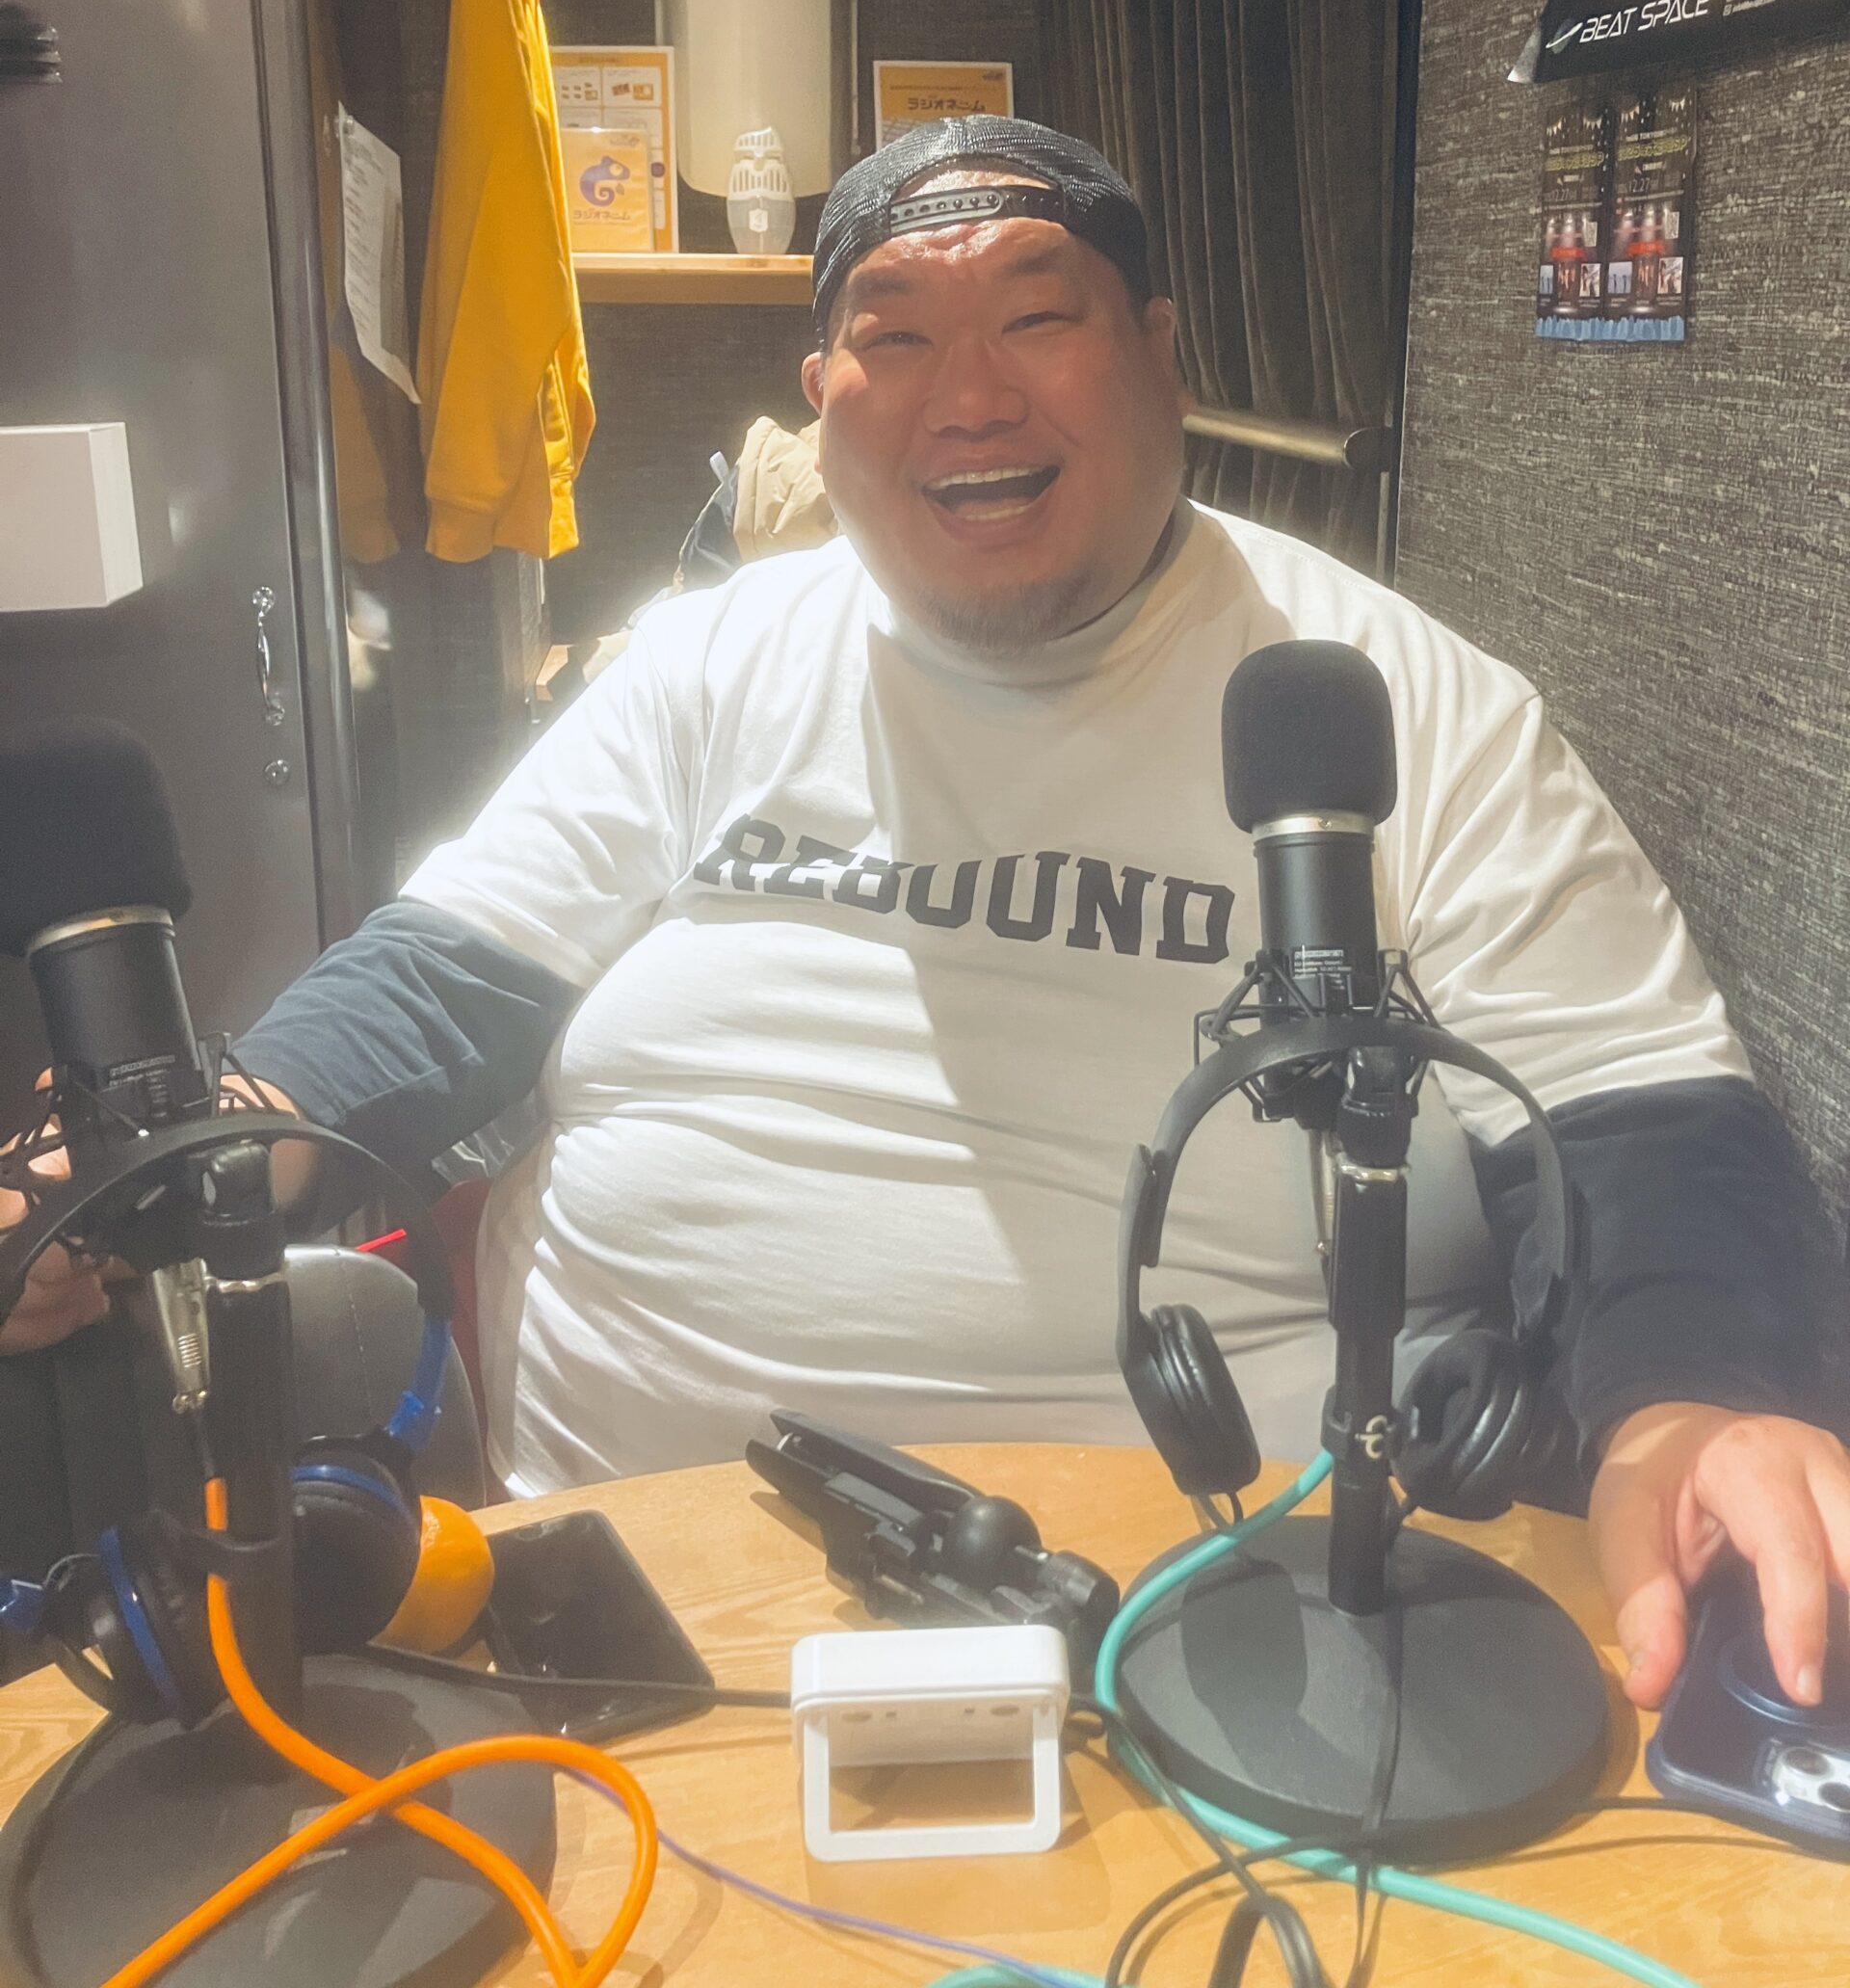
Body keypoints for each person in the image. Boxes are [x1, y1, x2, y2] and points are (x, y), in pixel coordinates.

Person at [4, 119, 1844, 1716]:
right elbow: (431, 991)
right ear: (825, 397)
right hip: (628, 1607)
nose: (970, 396)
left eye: (1039, 317)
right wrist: (165, 1165)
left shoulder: (1392, 705)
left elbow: (1645, 1119)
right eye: (894, 336)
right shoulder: (710, 666)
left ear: (1160, 355)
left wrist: (1688, 1408)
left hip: (1254, 1621)